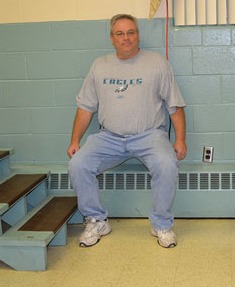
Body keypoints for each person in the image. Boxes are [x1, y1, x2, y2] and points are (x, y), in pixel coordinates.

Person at [67, 14, 186, 248]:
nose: (126, 38)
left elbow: (175, 105)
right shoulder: (99, 66)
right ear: (112, 38)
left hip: (150, 135)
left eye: (131, 32)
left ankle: (161, 224)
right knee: (78, 164)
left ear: (138, 35)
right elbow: (85, 108)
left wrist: (180, 139)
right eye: (120, 34)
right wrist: (74, 140)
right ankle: (96, 220)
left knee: (167, 164)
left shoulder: (156, 62)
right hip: (109, 137)